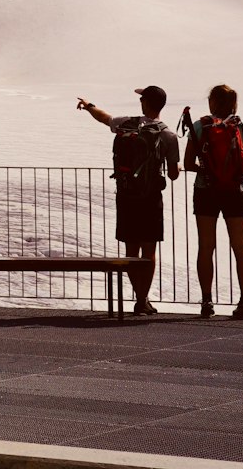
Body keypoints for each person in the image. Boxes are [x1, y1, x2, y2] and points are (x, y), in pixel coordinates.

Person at [78, 86, 179, 315]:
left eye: (142, 98)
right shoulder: (168, 135)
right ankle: (143, 299)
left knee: (131, 251)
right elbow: (173, 174)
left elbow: (105, 119)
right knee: (149, 252)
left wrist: (89, 105)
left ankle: (139, 297)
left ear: (146, 103)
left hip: (126, 194)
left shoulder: (128, 124)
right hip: (151, 197)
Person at [182, 84, 243, 319]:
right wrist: (234, 173)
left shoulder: (199, 126)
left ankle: (207, 301)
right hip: (234, 191)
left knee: (206, 247)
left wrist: (209, 171)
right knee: (241, 247)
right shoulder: (242, 126)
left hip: (205, 191)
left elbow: (188, 164)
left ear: (212, 102)